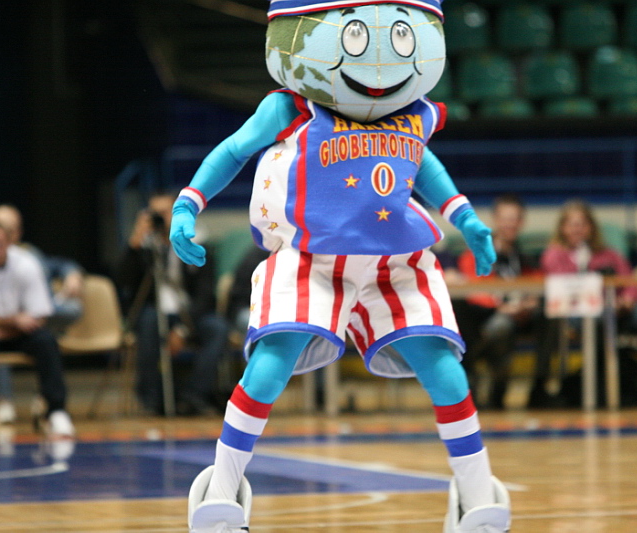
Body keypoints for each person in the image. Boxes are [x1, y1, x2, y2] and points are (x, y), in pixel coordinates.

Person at [170, 3, 511, 533]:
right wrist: (188, 203)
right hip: (313, 257)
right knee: (270, 363)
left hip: (395, 260)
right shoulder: (292, 108)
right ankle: (222, 491)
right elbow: (234, 151)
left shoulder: (415, 112)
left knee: (444, 369)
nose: (378, 62)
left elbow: (423, 162)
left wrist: (464, 216)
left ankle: (477, 496)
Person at [541, 199, 637, 406]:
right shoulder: (553, 256)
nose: (577, 229)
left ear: (592, 227)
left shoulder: (609, 254)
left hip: (621, 309)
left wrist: (628, 300)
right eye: (572, 224)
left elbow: (630, 282)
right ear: (562, 228)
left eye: (582, 224)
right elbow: (561, 289)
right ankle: (600, 382)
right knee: (597, 322)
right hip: (579, 313)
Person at [117, 192, 229, 417]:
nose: (161, 219)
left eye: (165, 213)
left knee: (218, 328)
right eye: (155, 214)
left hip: (191, 313)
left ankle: (194, 395)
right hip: (154, 311)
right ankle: (151, 399)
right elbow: (123, 282)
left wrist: (182, 329)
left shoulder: (197, 241)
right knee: (148, 322)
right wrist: (135, 243)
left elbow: (206, 294)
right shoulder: (144, 246)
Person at [0, 221, 75, 444]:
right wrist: (15, 320)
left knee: (46, 341)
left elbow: (39, 316)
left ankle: (56, 412)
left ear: (9, 243)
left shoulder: (27, 264)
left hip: (17, 333)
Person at [450, 194, 558, 409]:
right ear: (496, 220)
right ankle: (494, 388)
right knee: (502, 325)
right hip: (485, 319)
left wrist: (530, 302)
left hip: (522, 315)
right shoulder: (477, 252)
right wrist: (502, 307)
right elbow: (471, 290)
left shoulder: (524, 256)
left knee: (551, 316)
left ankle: (539, 388)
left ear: (522, 222)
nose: (510, 224)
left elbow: (537, 283)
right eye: (505, 218)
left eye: (515, 219)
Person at [0, 204, 85, 425]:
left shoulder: (31, 255)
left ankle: (49, 402)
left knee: (67, 314)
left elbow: (61, 264)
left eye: (11, 230)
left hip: (36, 320)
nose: (5, 235)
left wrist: (72, 274)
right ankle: (2, 401)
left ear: (18, 232)